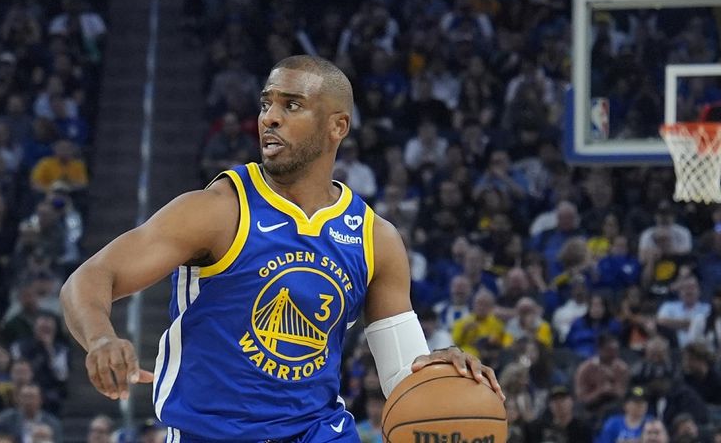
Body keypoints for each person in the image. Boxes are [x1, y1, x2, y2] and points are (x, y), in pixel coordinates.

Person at [61, 56, 503, 441]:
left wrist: (442, 374)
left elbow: (403, 376)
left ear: (337, 126)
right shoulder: (217, 211)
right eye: (266, 103)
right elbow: (90, 278)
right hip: (210, 436)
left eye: (291, 105)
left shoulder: (375, 238)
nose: (270, 117)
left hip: (318, 434)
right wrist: (101, 338)